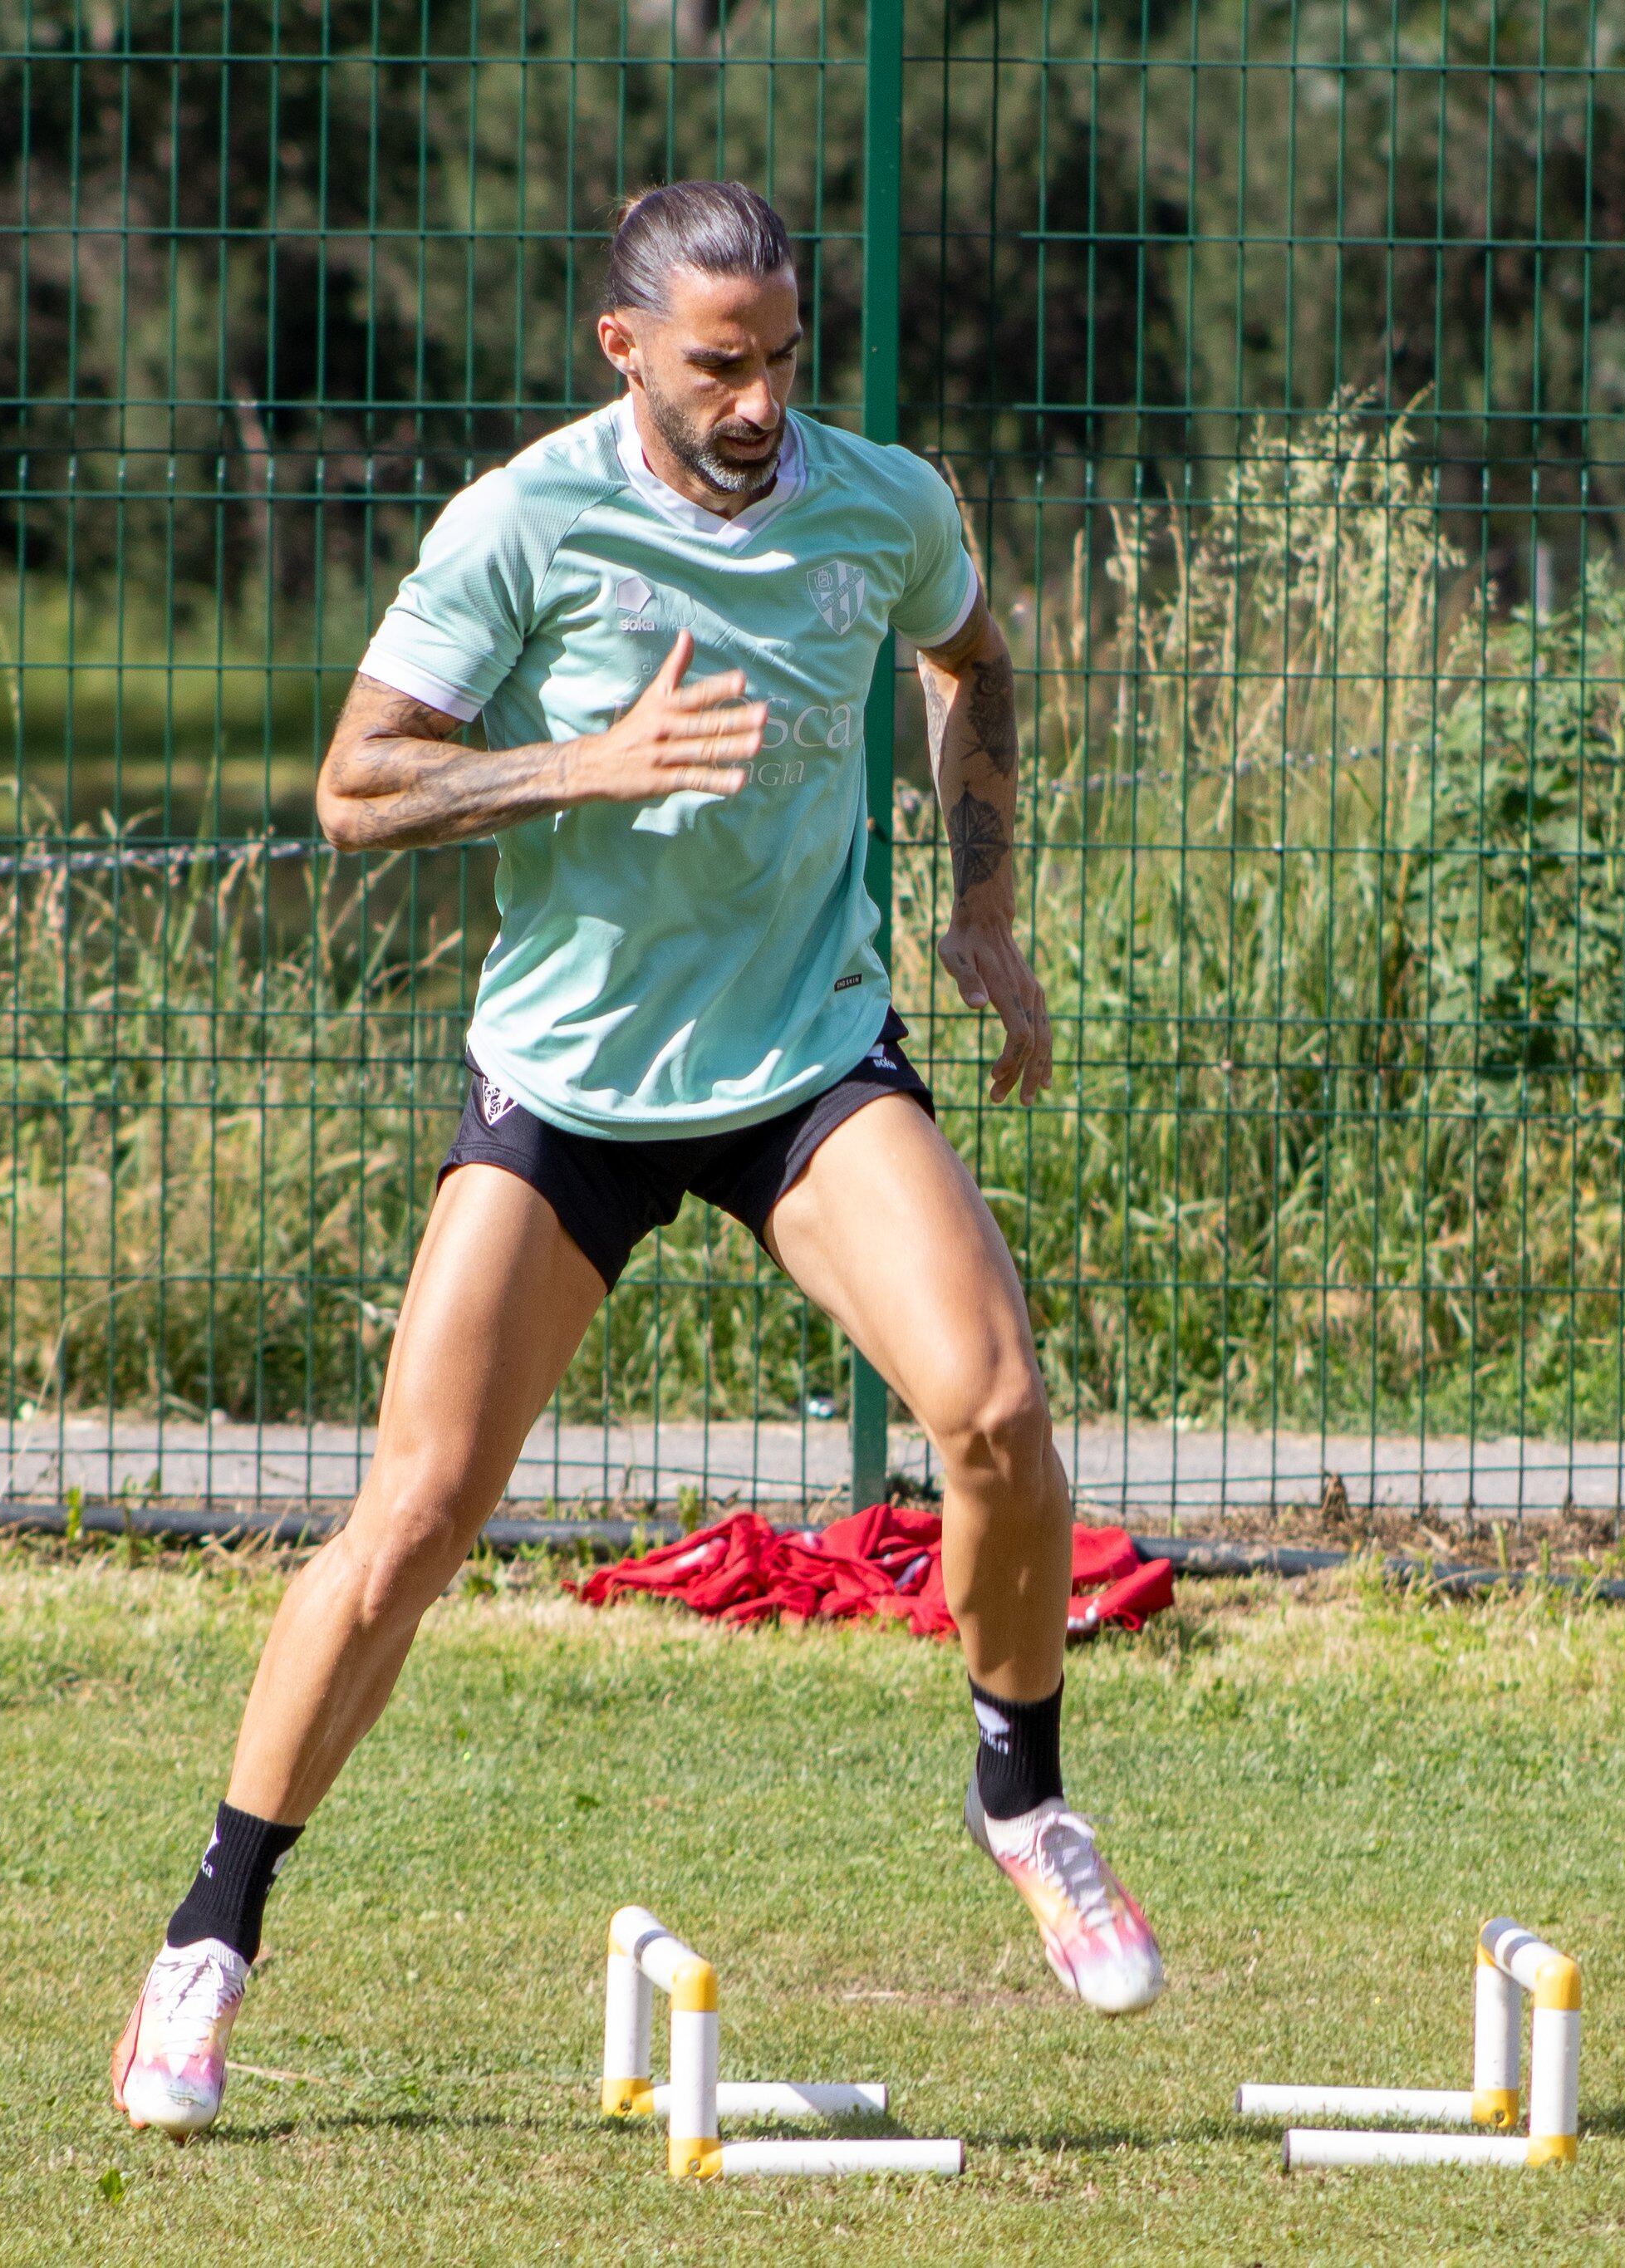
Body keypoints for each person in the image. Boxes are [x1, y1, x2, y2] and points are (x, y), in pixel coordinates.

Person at [110, 179, 1161, 2138]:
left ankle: (1020, 1795)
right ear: (624, 353)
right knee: (412, 1519)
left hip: (804, 1059)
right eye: (716, 368)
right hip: (571, 1090)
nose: (759, 402)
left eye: (779, 360)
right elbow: (353, 788)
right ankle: (206, 1941)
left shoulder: (880, 498)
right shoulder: (523, 522)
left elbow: (974, 665)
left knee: (999, 1413)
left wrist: (985, 906)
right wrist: (572, 765)